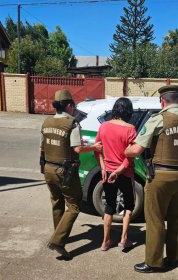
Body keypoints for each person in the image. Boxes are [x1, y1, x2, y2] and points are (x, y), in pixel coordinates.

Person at [125, 85, 178, 273]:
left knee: (155, 219)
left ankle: (153, 262)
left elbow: (136, 150)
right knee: (177, 219)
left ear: (163, 101)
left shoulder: (159, 118)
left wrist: (125, 151)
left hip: (161, 177)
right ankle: (174, 257)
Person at [40, 89, 102, 259]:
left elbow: (42, 148)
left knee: (57, 202)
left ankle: (57, 235)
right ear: (68, 106)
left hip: (48, 169)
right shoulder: (72, 123)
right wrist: (95, 147)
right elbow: (78, 149)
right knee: (74, 205)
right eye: (73, 106)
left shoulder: (46, 122)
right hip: (65, 171)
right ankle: (58, 241)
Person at [94, 97, 137, 251]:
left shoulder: (104, 126)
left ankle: (105, 242)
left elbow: (97, 149)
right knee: (129, 206)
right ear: (128, 111)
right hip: (124, 173)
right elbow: (130, 157)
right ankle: (124, 239)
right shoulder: (130, 129)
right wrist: (118, 171)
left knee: (109, 206)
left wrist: (104, 168)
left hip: (107, 173)